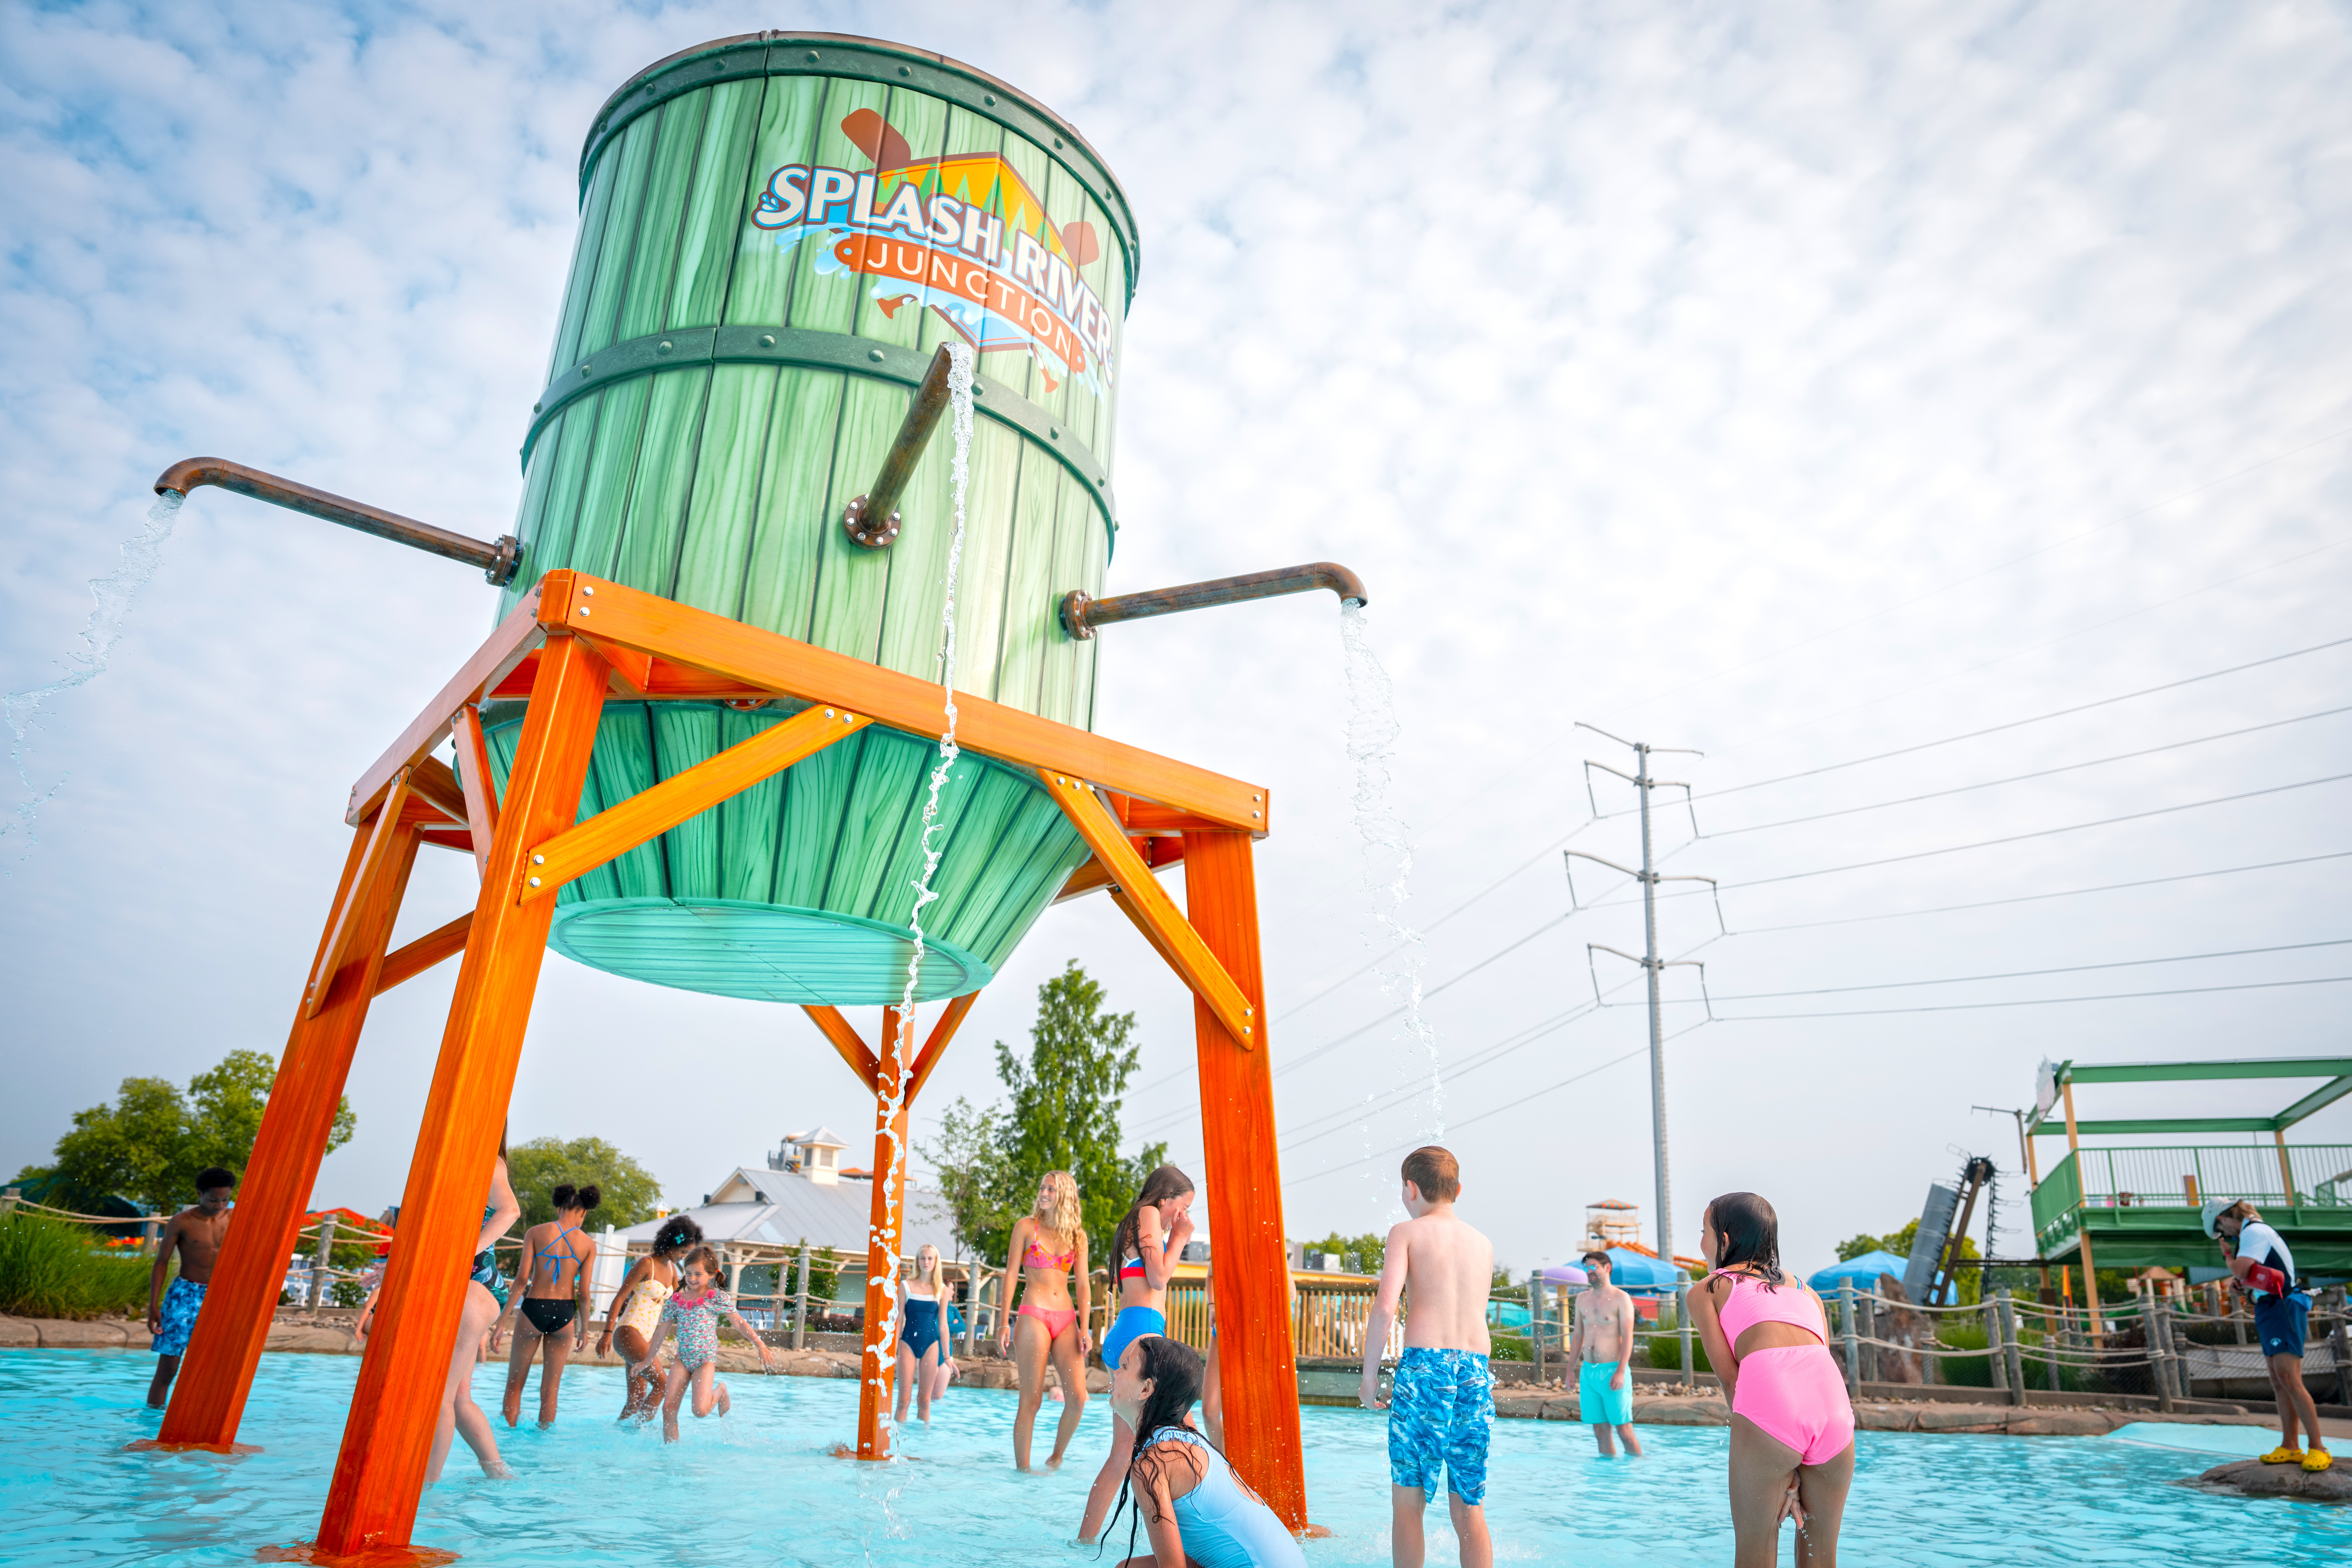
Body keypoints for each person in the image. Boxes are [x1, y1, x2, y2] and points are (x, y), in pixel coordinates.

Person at [1687, 1192, 1854, 1568]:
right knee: (1821, 1557)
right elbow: (1818, 1359)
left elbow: (1733, 1382)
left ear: (1724, 1240)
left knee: (1756, 1552)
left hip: (1772, 1410)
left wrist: (1778, 1464)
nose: (1701, 1243)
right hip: (1835, 1416)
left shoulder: (1708, 1290)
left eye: (1704, 1232)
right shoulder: (1808, 1292)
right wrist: (1799, 1463)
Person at [1360, 1146, 1495, 1568]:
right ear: (1458, 1190)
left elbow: (1386, 1308)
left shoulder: (1406, 1233)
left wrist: (1369, 1377)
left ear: (1410, 1189)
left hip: (1425, 1369)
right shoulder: (1483, 1243)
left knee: (1408, 1501)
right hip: (1476, 1371)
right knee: (1469, 1505)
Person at [354, 1143, 518, 1481]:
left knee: (438, 1396)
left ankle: (424, 1489)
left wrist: (463, 1254)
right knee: (458, 1398)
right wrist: (396, 1264)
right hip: (455, 1284)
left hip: (473, 1286)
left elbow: (510, 1211)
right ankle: (499, 1473)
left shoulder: (487, 1159)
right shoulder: (449, 1160)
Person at [1103, 1334, 1307, 1568]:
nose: (1116, 1373)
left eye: (1125, 1367)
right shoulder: (1190, 1441)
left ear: (1146, 1389)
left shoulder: (1152, 1464)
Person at [1081, 1165, 1199, 1541]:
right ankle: (1206, 1533)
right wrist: (1180, 1237)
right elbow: (1159, 1278)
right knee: (1191, 1439)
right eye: (1183, 1207)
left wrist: (1173, 1236)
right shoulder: (1147, 1214)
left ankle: (1084, 1541)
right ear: (1165, 1200)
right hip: (1142, 1339)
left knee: (1122, 1455)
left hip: (1130, 1336)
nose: (1183, 1215)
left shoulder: (1138, 1226)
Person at [2205, 1198, 2330, 1471]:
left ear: (2224, 1218)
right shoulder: (2250, 1234)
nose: (2226, 1236)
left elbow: (2240, 1268)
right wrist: (2242, 1285)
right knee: (2278, 1380)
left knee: (2290, 1378)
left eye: (2222, 1231)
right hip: (2269, 1307)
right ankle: (2290, 1446)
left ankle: (2319, 1448)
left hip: (2284, 1306)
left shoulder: (2255, 1231)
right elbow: (2251, 1275)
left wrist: (2228, 1256)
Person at [998, 1169, 1092, 1471]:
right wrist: (1004, 1322)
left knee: (1078, 1398)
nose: (1044, 1193)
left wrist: (1086, 1328)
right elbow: (1011, 1274)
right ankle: (1023, 1471)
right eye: (1042, 1188)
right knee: (1032, 1400)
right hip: (1033, 1315)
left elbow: (1083, 1285)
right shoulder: (1026, 1227)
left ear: (1065, 1195)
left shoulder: (1077, 1237)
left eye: (1051, 1189)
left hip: (1066, 1319)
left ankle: (1056, 1456)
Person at [635, 1243, 772, 1442]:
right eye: (689, 1273)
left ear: (712, 1275)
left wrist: (760, 1345)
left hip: (705, 1360)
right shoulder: (676, 1300)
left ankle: (721, 1391)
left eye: (698, 1275)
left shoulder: (716, 1298)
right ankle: (671, 1453)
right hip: (683, 1359)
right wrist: (647, 1360)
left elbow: (739, 1323)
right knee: (668, 1409)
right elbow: (661, 1333)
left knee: (700, 1411)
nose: (692, 1279)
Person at [496, 1182, 599, 1428]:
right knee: (551, 1389)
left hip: (534, 1307)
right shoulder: (588, 1244)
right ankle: (544, 1437)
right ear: (584, 1212)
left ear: (559, 1208)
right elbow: (584, 1294)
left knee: (515, 1384)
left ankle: (507, 1435)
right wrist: (584, 1330)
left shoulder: (536, 1233)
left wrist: (501, 1323)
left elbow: (522, 1280)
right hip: (564, 1313)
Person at [144, 1166, 236, 1409]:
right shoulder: (181, 1222)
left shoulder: (236, 1219)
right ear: (199, 1194)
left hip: (221, 1296)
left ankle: (198, 1415)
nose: (220, 1205)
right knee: (168, 1369)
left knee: (213, 1368)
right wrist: (154, 1306)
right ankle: (152, 1420)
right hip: (185, 1296)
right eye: (214, 1200)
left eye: (225, 1199)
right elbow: (161, 1263)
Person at [598, 1213, 700, 1420]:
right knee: (664, 1384)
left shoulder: (672, 1270)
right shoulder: (647, 1264)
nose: (683, 1257)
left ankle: (624, 1433)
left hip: (645, 1340)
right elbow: (620, 1298)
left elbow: (679, 1303)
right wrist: (607, 1333)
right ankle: (643, 1430)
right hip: (629, 1332)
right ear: (672, 1244)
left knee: (635, 1401)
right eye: (683, 1252)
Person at [1567, 1250, 1641, 1457]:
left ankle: (1638, 1470)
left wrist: (1621, 1372)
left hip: (1613, 1371)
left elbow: (1628, 1337)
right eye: (1586, 1268)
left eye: (1593, 1267)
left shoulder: (1621, 1298)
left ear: (1607, 1268)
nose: (1589, 1271)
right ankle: (1608, 1474)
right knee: (1600, 1432)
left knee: (1625, 1432)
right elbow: (1578, 1336)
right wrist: (1571, 1371)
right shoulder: (1582, 1299)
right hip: (1589, 1373)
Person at [895, 1242, 956, 1425]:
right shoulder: (906, 1286)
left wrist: (948, 1358)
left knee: (925, 1402)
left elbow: (943, 1326)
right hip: (907, 1344)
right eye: (923, 1258)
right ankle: (896, 1438)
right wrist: (894, 1349)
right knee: (904, 1401)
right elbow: (899, 1320)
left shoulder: (942, 1290)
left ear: (936, 1262)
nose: (926, 1262)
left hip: (931, 1345)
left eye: (930, 1259)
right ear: (917, 1261)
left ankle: (923, 1440)